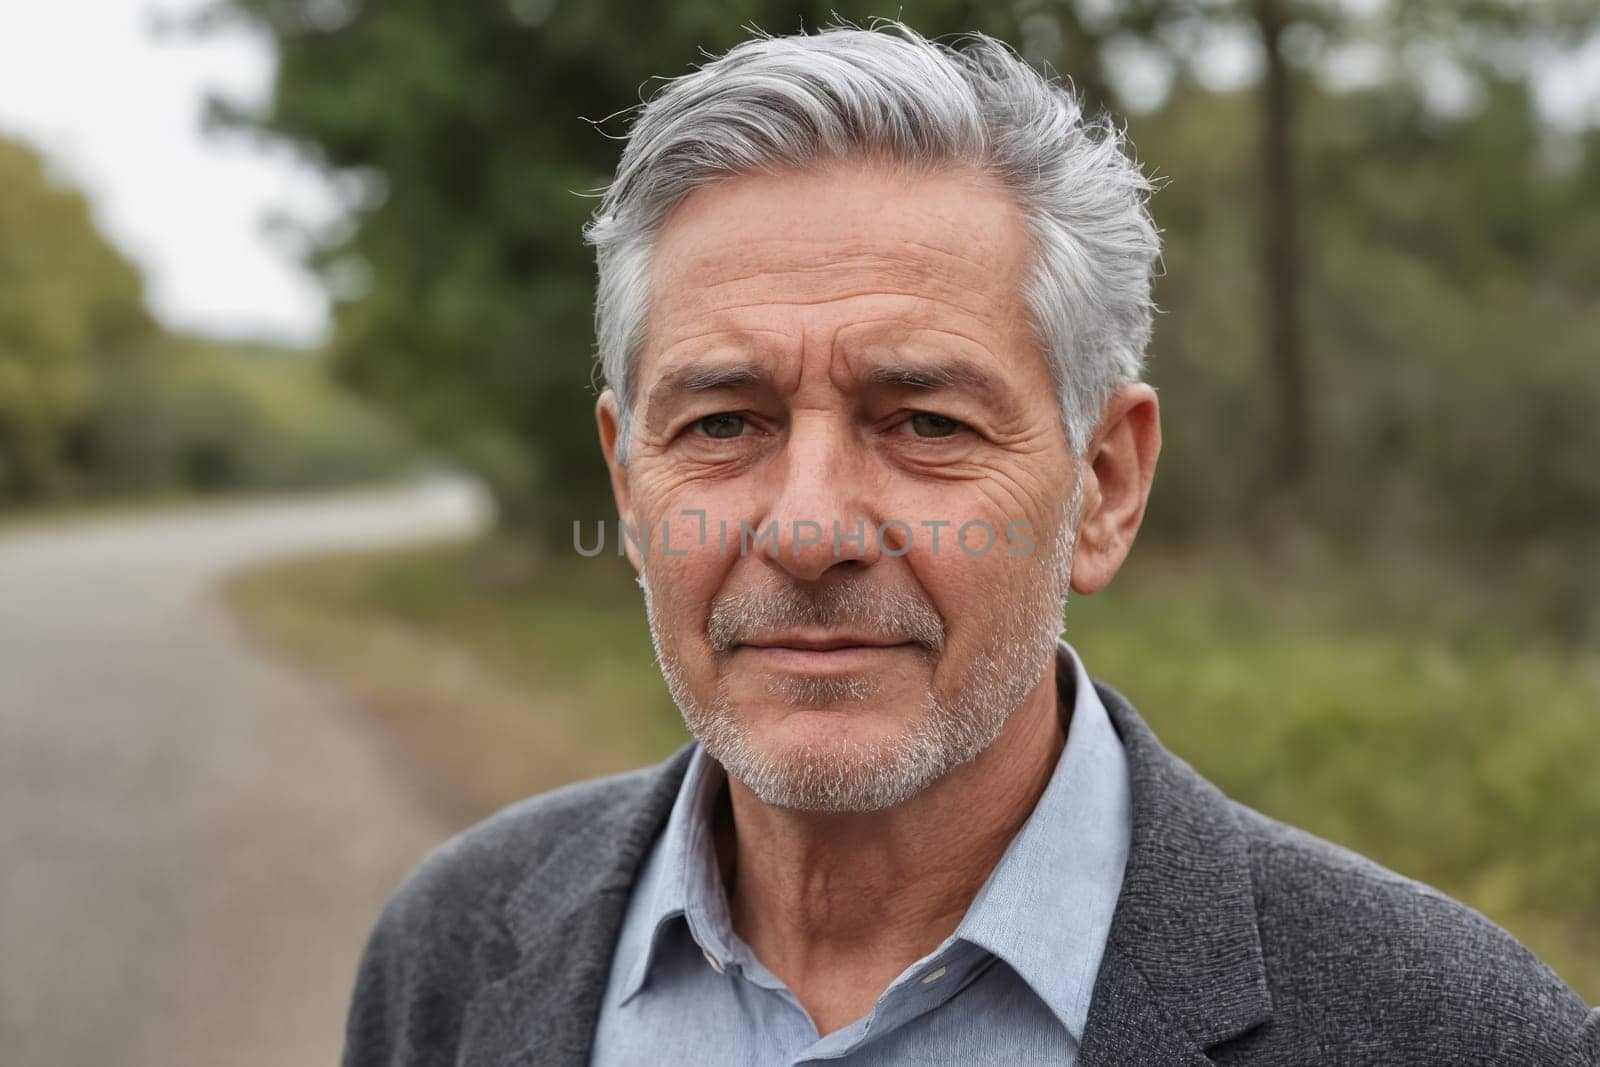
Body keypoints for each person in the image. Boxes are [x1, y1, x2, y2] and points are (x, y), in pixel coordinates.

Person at [341, 23, 1597, 1066]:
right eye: (724, 422)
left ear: (1103, 485)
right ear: (627, 484)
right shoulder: (454, 945)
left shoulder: (1454, 1032)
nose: (812, 527)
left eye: (925, 422)